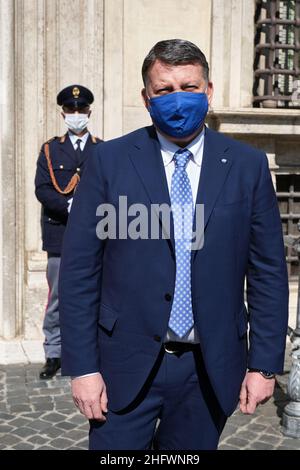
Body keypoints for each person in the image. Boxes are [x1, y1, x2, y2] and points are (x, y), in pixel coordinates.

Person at [59, 40, 289, 450]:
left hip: (209, 369)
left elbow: (268, 272)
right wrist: (81, 368)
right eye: (164, 90)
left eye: (190, 86)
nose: (178, 99)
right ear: (145, 98)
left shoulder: (247, 166)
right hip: (121, 367)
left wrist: (264, 366)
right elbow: (79, 272)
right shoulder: (109, 161)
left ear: (209, 91)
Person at [35, 84, 102, 380]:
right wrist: (70, 207)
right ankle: (53, 353)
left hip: (95, 235)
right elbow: (43, 189)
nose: (76, 114)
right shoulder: (51, 149)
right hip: (60, 235)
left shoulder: (102, 149)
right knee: (59, 298)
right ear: (63, 113)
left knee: (96, 294)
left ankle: (91, 352)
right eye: (71, 110)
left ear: (89, 111)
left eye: (81, 110)